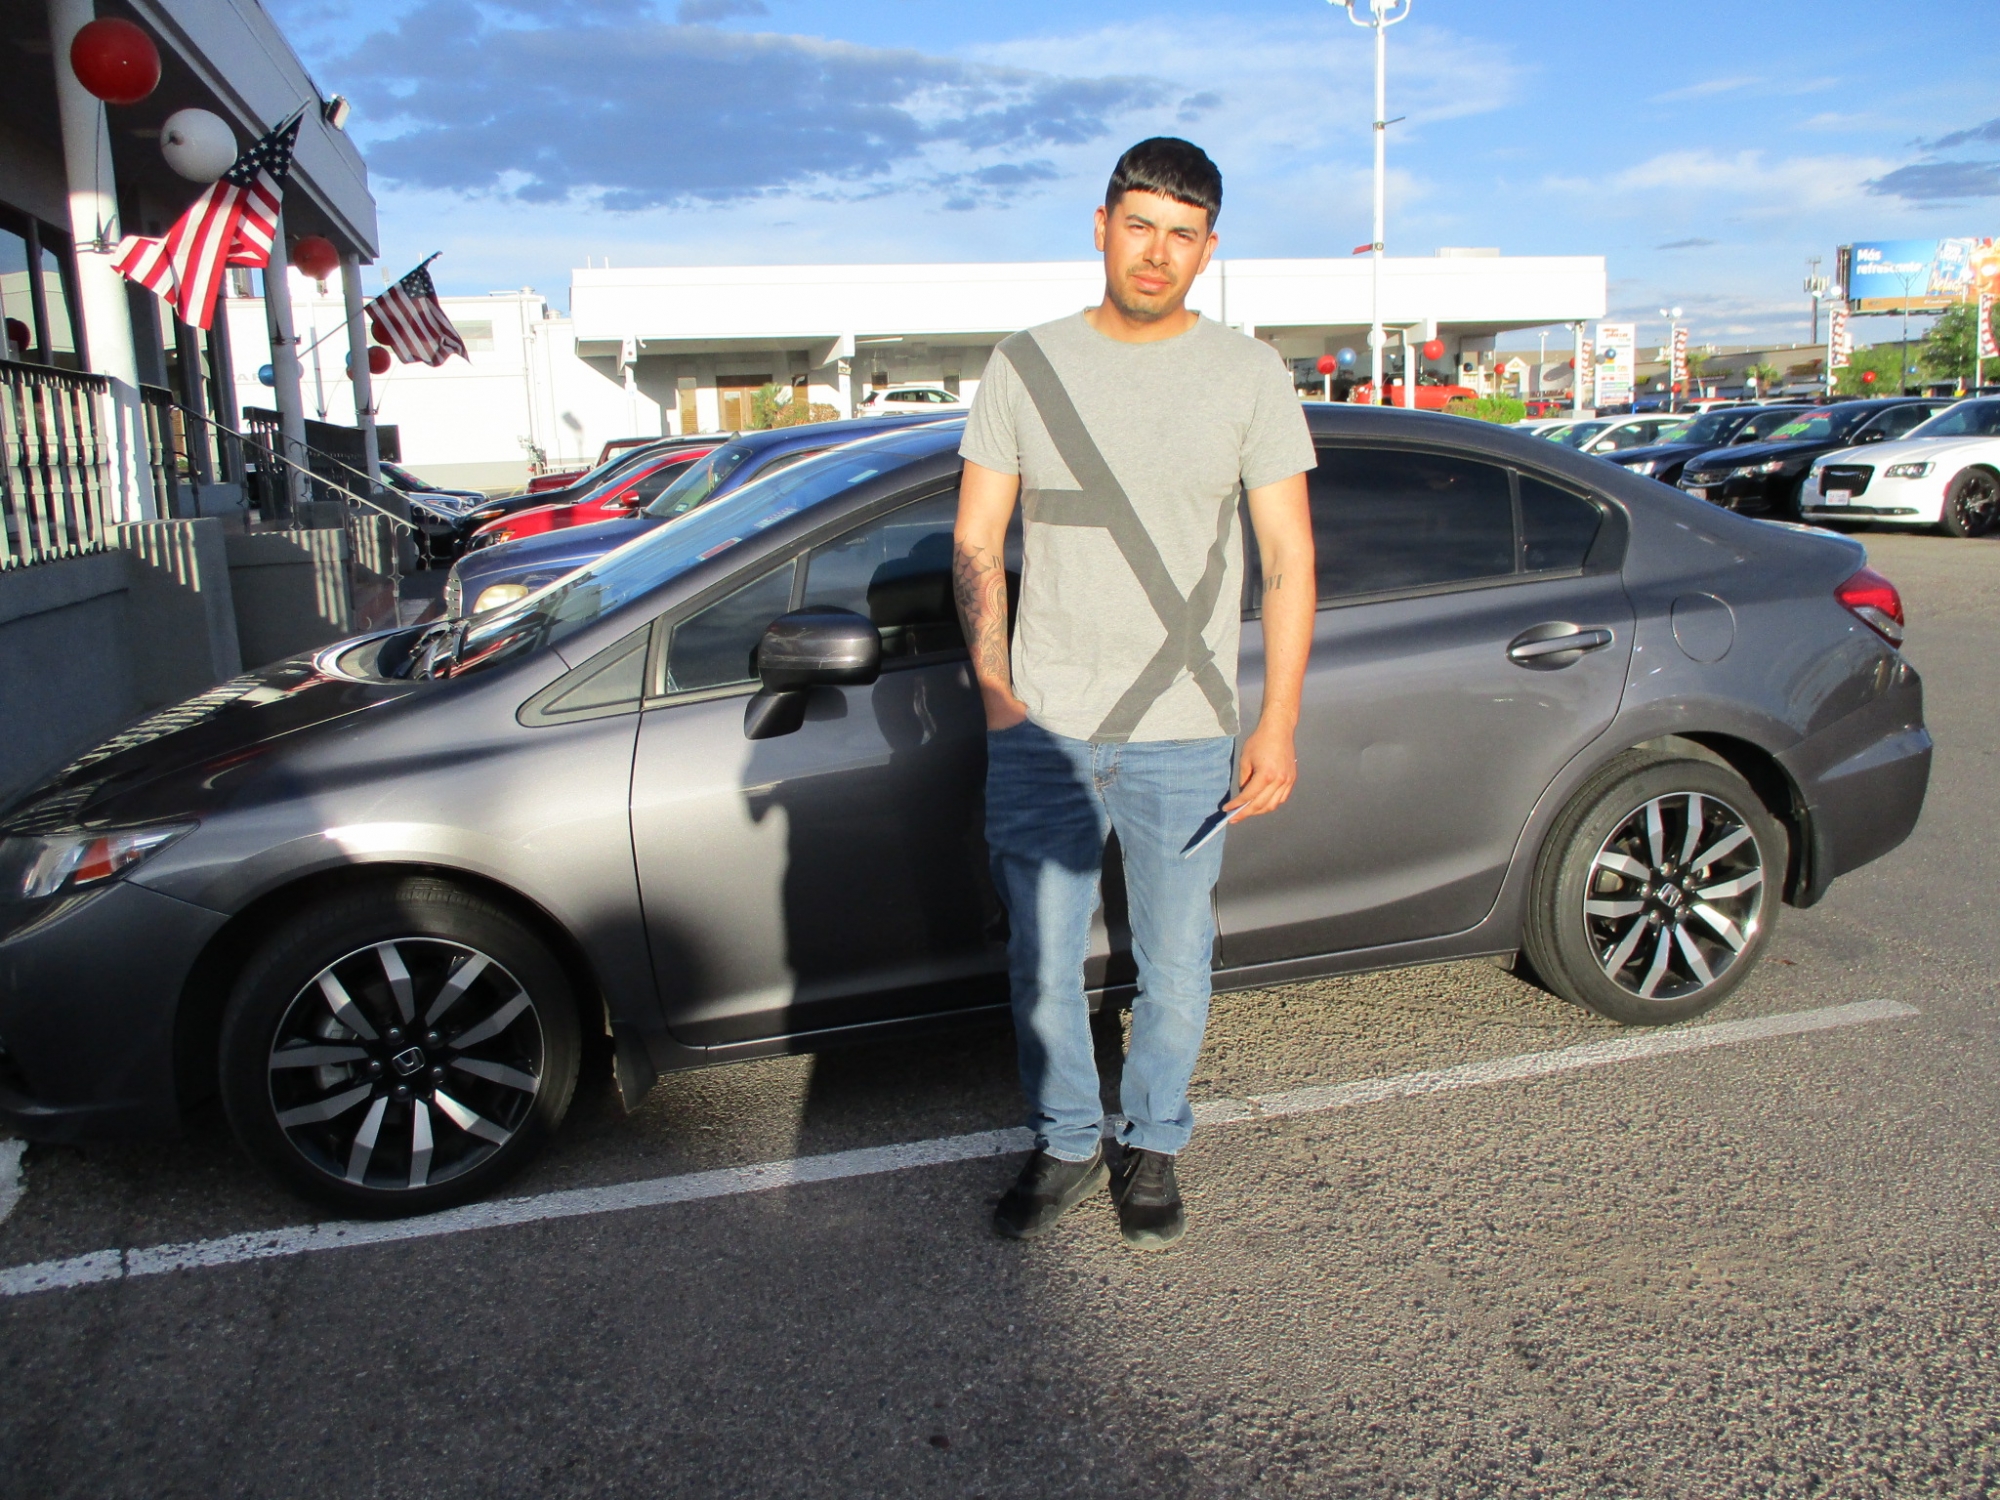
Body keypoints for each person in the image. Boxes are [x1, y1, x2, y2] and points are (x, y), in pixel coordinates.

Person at [953, 137, 1317, 1250]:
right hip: (1045, 729)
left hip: (1185, 732)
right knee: (1039, 967)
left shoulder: (1249, 375)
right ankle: (1067, 1141)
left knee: (1176, 965)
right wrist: (998, 697)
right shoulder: (1024, 365)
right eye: (1140, 225)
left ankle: (1152, 1142)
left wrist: (1277, 721)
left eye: (1182, 235)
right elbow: (975, 540)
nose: (1156, 253)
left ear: (1208, 250)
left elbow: (1288, 558)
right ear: (1102, 226)